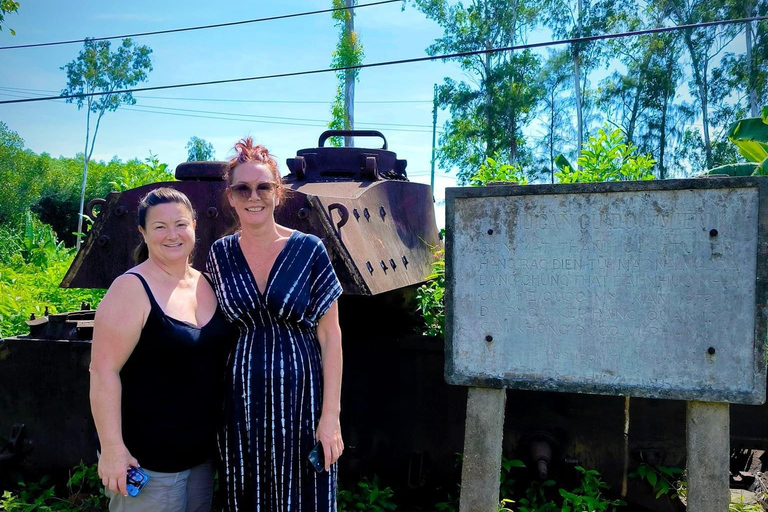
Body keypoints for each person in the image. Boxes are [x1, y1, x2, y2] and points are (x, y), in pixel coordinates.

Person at [206, 138, 344, 512]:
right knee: (246, 489)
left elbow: (330, 336)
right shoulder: (220, 254)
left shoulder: (309, 248)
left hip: (303, 397)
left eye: (263, 186)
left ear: (277, 193)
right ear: (231, 197)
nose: (254, 195)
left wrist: (330, 417)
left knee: (306, 492)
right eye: (243, 188)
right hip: (241, 400)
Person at [89, 187, 233, 512]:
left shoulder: (206, 283)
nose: (172, 235)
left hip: (200, 458)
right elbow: (102, 371)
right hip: (148, 462)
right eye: (159, 226)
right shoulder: (131, 288)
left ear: (194, 225)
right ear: (142, 232)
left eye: (181, 224)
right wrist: (112, 449)